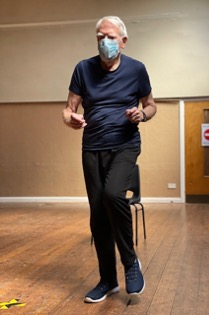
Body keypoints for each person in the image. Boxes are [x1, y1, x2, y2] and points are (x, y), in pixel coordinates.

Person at [62, 16, 157, 303]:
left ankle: (130, 263)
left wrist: (141, 115)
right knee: (98, 214)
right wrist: (72, 119)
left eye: (111, 37)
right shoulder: (83, 68)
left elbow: (151, 105)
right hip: (92, 147)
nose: (106, 41)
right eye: (100, 36)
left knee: (114, 193)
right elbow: (67, 110)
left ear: (123, 41)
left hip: (125, 144)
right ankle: (107, 280)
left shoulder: (136, 69)